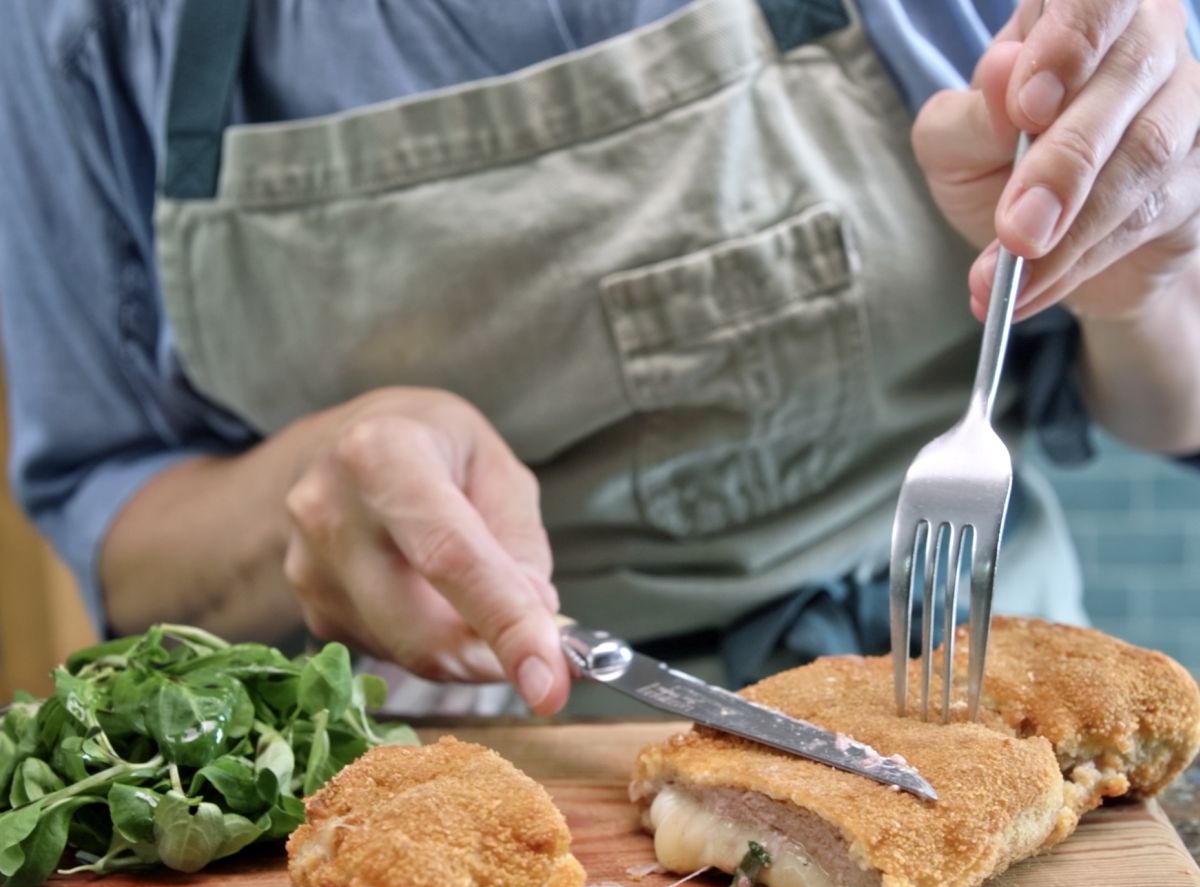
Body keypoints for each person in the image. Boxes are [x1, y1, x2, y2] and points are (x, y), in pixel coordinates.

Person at [1, 0, 1198, 719]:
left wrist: (1144, 278)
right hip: (448, 739)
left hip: (969, 691)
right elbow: (119, 534)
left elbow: (1176, 402)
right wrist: (309, 489)